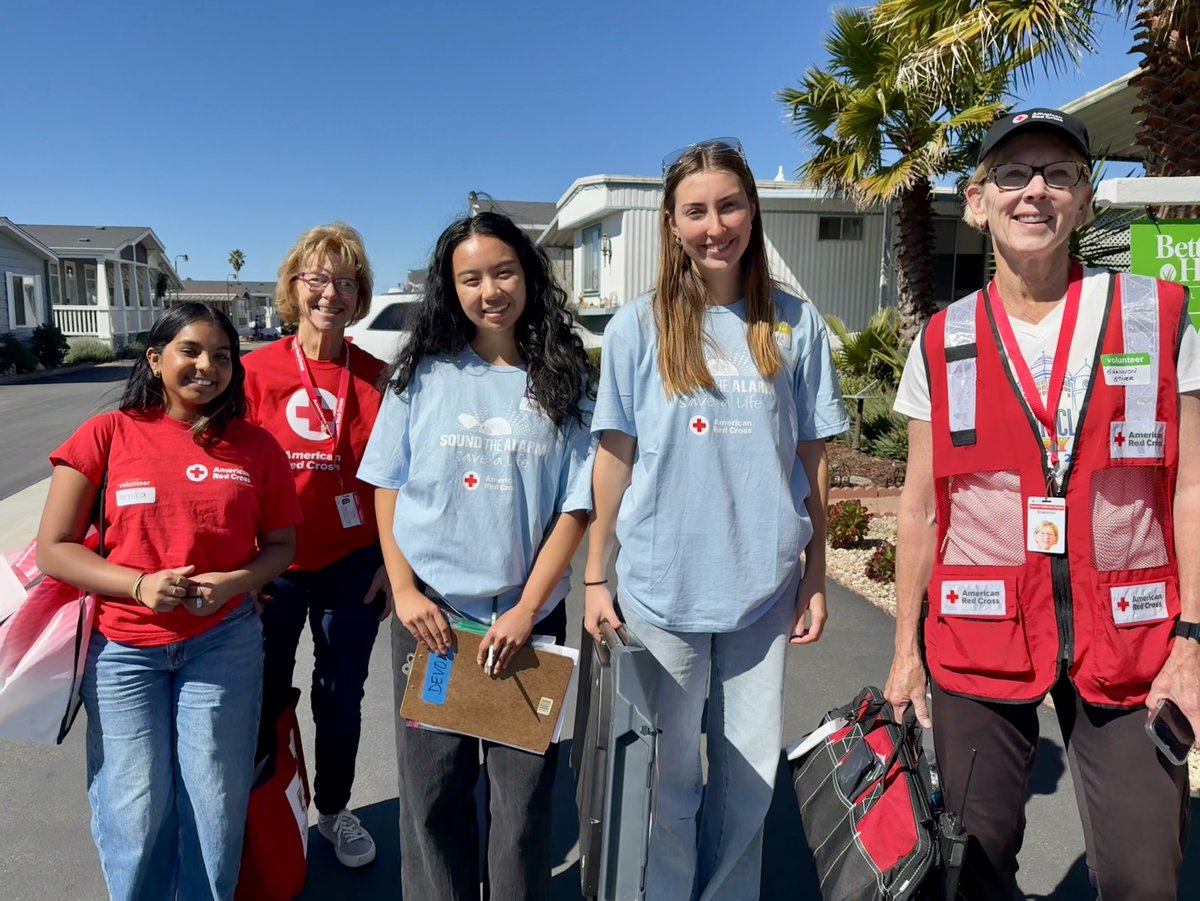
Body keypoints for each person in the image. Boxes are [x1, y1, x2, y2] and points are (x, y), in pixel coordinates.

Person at [886, 108, 1200, 900]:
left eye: (1059, 175)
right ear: (977, 201)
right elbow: (921, 508)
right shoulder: (942, 340)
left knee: (1142, 876)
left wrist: (1193, 639)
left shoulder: (1158, 318)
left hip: (1131, 640)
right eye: (1013, 174)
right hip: (979, 635)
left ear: (1085, 201)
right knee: (972, 866)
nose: (1036, 191)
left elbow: (1193, 487)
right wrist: (904, 651)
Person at [584, 138, 848, 900]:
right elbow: (615, 456)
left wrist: (816, 572)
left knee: (748, 781)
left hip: (762, 590)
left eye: (729, 205)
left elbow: (812, 458)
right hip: (661, 588)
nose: (714, 225)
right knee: (666, 778)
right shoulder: (637, 328)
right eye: (695, 211)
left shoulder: (794, 323)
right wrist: (596, 574)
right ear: (672, 224)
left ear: (752, 211)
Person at [358, 210, 597, 900]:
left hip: (525, 624)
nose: (490, 290)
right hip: (433, 622)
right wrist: (405, 591)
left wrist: (527, 609)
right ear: (450, 287)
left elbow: (575, 507)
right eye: (471, 278)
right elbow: (387, 485)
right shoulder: (421, 375)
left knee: (521, 810)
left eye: (503, 272)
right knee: (432, 799)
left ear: (528, 275)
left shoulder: (566, 380)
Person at [36, 303, 300, 901]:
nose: (208, 366)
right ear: (155, 360)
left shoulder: (256, 446)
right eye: (191, 351)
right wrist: (138, 584)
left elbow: (282, 547)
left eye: (223, 356)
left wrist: (233, 583)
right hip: (124, 649)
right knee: (134, 804)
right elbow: (54, 547)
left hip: (223, 644)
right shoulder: (108, 434)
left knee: (214, 796)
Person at [242, 223, 387, 868]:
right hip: (271, 565)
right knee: (263, 691)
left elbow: (403, 480)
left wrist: (394, 565)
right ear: (293, 287)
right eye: (318, 279)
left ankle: (333, 809)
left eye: (347, 282)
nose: (331, 293)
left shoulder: (378, 377)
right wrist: (237, 569)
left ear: (360, 296)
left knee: (340, 695)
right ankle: (265, 809)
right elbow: (227, 469)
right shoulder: (252, 372)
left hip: (352, 565)